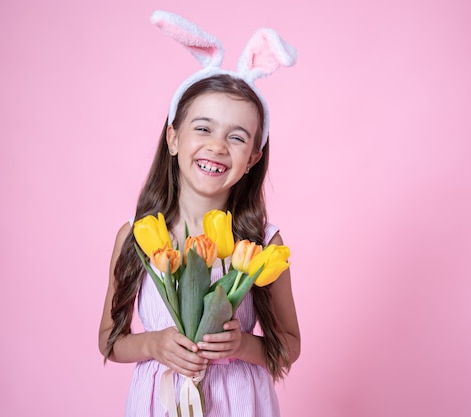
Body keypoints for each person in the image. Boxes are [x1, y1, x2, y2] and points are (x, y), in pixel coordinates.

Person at [98, 10, 301, 417]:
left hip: (238, 404)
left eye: (237, 137)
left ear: (252, 158)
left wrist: (244, 345)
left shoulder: (262, 243)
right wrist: (154, 343)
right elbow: (109, 339)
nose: (218, 146)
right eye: (203, 128)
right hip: (161, 401)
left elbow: (289, 344)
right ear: (173, 137)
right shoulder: (137, 237)